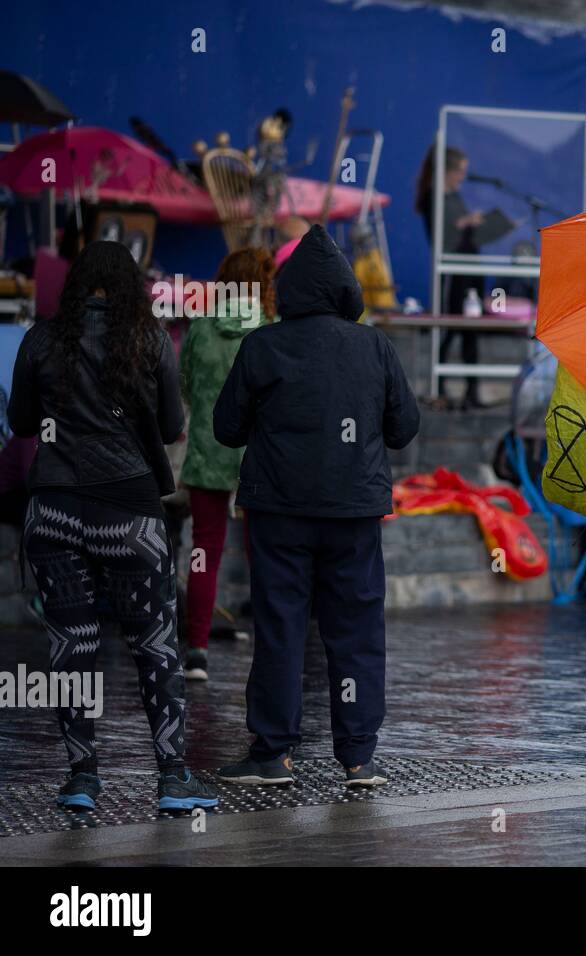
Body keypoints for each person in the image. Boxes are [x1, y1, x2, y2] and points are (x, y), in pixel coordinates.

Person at [7, 240, 219, 811]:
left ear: (76, 286)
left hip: (53, 510)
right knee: (154, 643)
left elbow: (22, 421)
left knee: (70, 644)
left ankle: (81, 777)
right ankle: (174, 777)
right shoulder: (149, 340)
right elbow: (174, 426)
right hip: (128, 509)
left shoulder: (41, 338)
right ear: (132, 287)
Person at [213, 225, 419, 788]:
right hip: (353, 513)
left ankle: (273, 753)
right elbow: (404, 430)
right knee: (355, 630)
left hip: (279, 512)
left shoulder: (263, 345)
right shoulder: (374, 345)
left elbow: (226, 428)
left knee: (280, 628)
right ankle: (358, 757)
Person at [178, 247, 273, 681]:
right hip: (261, 456)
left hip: (207, 451)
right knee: (267, 553)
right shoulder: (272, 330)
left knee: (204, 551)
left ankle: (196, 651)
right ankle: (272, 651)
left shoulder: (199, 327)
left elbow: (184, 386)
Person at [416, 144, 485, 407]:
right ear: (447, 170)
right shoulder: (434, 196)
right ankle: (439, 386)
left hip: (469, 267)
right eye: (460, 171)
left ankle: (472, 390)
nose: (462, 177)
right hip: (453, 270)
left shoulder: (453, 196)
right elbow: (441, 235)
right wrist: (463, 224)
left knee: (471, 327)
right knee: (453, 325)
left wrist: (472, 223)